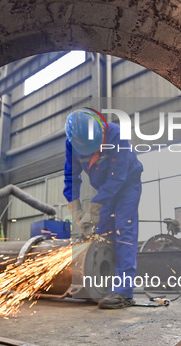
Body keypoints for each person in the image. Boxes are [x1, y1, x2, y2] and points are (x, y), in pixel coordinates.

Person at [63, 109, 143, 309]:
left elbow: (118, 176)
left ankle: (124, 291)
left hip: (127, 186)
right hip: (103, 190)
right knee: (101, 234)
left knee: (123, 230)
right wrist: (77, 209)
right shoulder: (72, 143)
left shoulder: (117, 135)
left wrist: (95, 207)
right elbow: (71, 177)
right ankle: (101, 285)